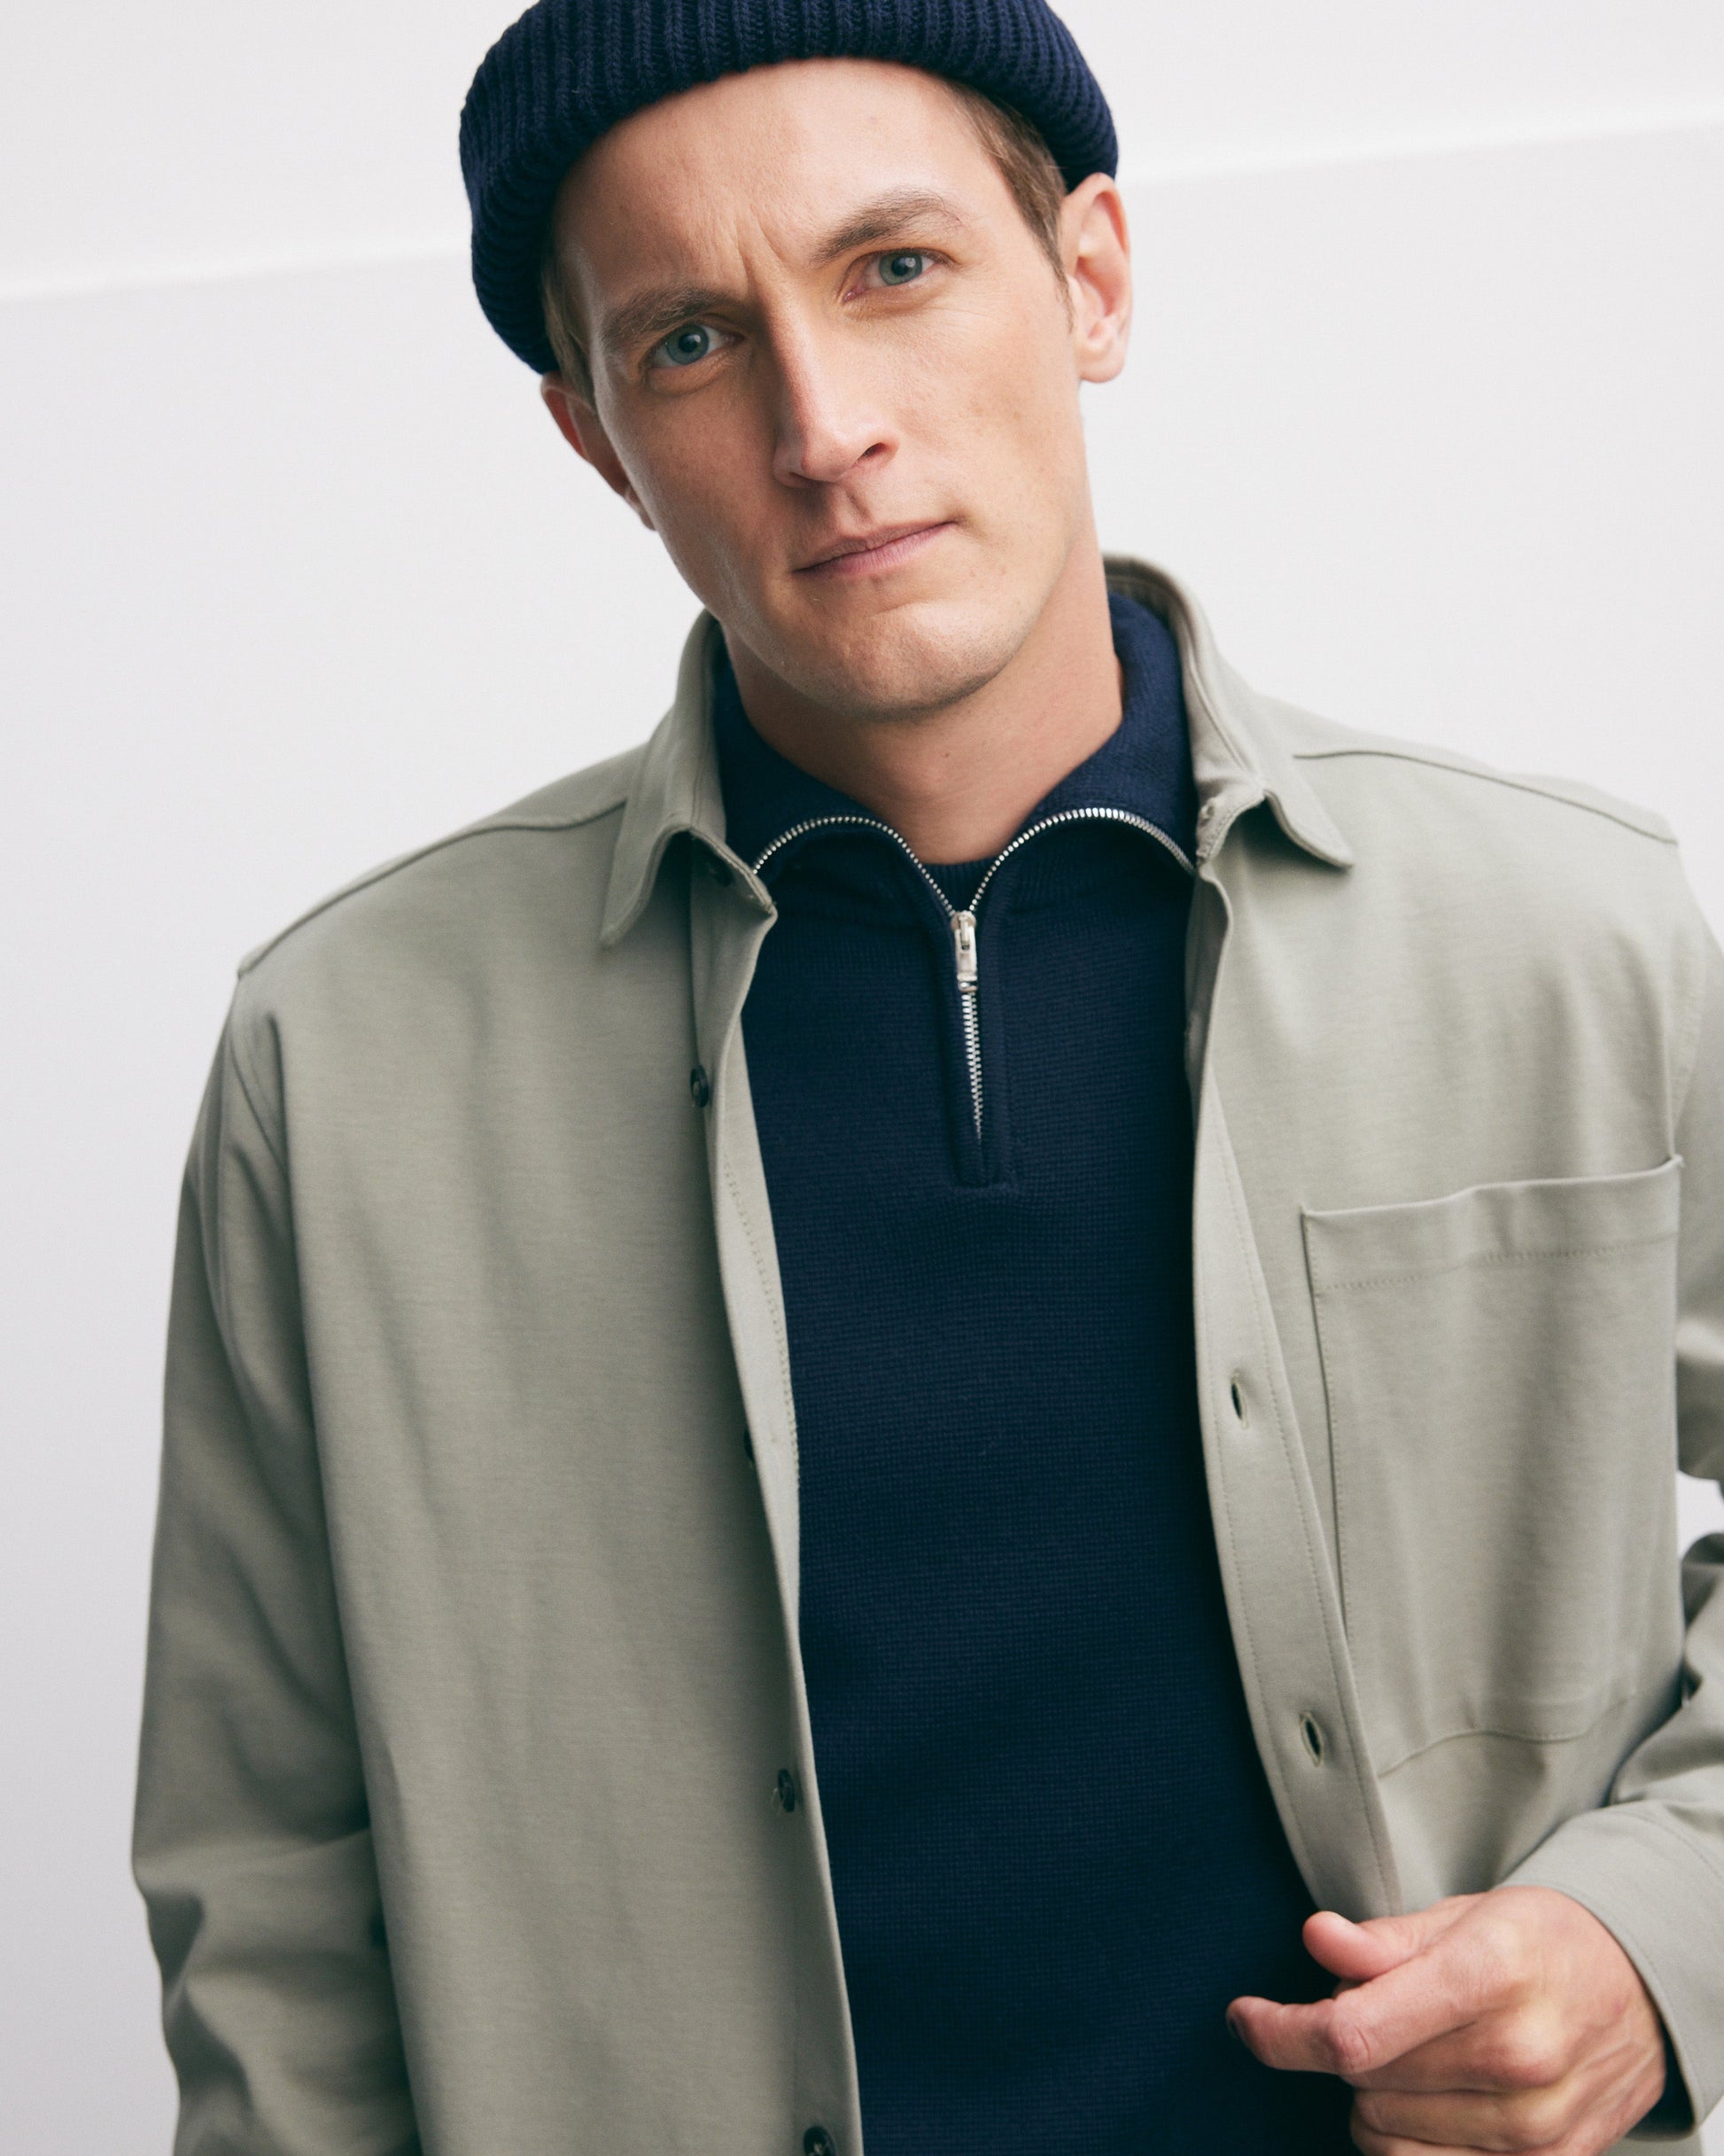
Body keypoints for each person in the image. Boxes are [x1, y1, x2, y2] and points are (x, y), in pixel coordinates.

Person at [134, 2, 1724, 2151]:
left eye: (892, 267)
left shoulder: (1563, 933)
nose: (824, 427)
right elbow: (267, 1880)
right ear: (595, 438)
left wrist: (1659, 1930)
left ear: (1090, 279)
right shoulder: (342, 1063)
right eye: (691, 341)